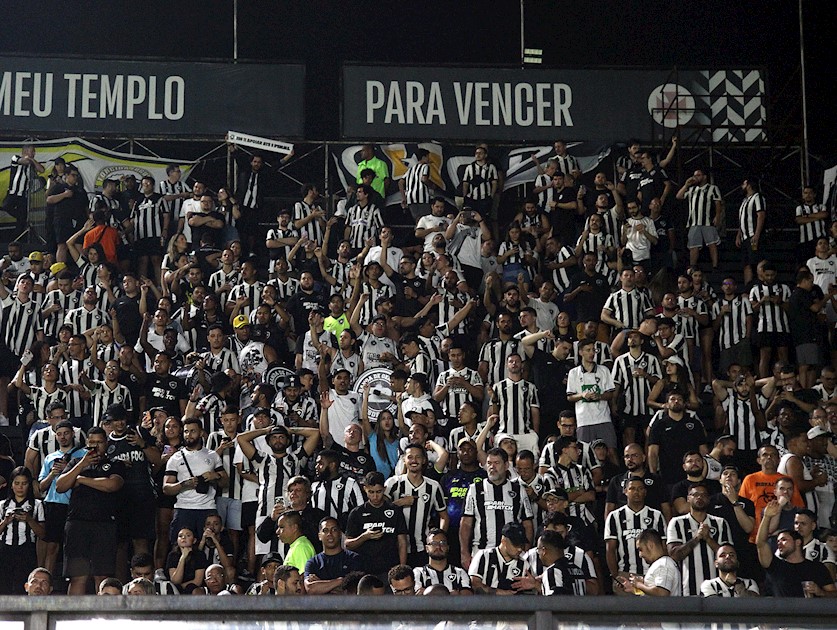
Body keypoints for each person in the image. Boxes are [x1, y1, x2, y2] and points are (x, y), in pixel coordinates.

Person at [55, 426, 126, 595]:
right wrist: (82, 465)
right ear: (87, 443)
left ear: (106, 443)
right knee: (77, 576)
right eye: (92, 442)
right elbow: (60, 486)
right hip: (77, 523)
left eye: (99, 442)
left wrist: (81, 480)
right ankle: (71, 620)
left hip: (104, 524)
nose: (95, 446)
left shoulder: (115, 464)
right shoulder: (75, 463)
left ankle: (103, 617)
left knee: (101, 576)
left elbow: (112, 485)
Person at [459, 447, 533, 570]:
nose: (492, 467)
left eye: (496, 463)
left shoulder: (518, 490)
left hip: (512, 554)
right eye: (489, 463)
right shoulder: (474, 489)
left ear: (506, 465)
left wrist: (526, 548)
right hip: (481, 552)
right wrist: (464, 552)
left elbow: (527, 524)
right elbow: (466, 523)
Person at [163, 417, 228, 545]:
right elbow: (166, 488)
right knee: (180, 549)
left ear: (201, 433)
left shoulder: (212, 455)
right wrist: (184, 484)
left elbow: (226, 483)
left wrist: (215, 476)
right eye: (186, 431)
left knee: (209, 548)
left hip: (207, 508)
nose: (189, 435)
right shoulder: (175, 458)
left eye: (193, 431)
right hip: (183, 509)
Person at [757, 500, 835, 597]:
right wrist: (767, 517)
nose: (779, 543)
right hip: (781, 612)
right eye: (778, 541)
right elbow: (761, 543)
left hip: (808, 611)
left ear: (797, 542)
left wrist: (820, 592)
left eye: (784, 540)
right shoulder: (775, 566)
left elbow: (834, 594)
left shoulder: (817, 568)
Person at [666, 482, 734, 596]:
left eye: (703, 495)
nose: (699, 497)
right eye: (695, 494)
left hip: (718, 590)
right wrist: (697, 538)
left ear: (708, 499)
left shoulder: (720, 522)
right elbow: (675, 555)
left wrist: (708, 539)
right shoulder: (677, 522)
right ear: (688, 498)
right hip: (686, 589)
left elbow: (729, 556)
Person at [604, 476, 667, 592]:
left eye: (640, 489)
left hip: (652, 573)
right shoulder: (614, 516)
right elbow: (610, 549)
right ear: (625, 491)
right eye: (632, 488)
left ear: (645, 492)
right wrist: (615, 576)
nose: (636, 492)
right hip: (625, 573)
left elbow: (663, 547)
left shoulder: (656, 515)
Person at [345, 471, 409, 578]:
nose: (375, 496)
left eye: (378, 492)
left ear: (384, 489)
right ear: (365, 489)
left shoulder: (395, 511)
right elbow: (348, 544)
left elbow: (402, 543)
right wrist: (364, 537)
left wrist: (401, 569)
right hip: (365, 571)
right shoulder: (357, 513)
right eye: (371, 492)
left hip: (390, 570)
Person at [0, 466, 45, 594]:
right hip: (4, 550)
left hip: (26, 551)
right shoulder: (2, 505)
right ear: (11, 485)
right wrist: (5, 522)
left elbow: (42, 534)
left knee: (22, 589)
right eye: (17, 483)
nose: (20, 487)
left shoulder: (37, 505)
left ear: (29, 485)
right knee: (3, 588)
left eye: (24, 483)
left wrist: (29, 519)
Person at [467, 522, 533, 595]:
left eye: (521, 545)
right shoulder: (483, 556)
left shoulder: (524, 565)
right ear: (504, 541)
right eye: (516, 544)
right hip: (484, 605)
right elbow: (475, 584)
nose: (520, 549)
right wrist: (499, 593)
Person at [676, 168, 723, 270]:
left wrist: (717, 216)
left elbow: (718, 203)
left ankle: (715, 265)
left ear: (704, 177)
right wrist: (686, 185)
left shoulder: (712, 188)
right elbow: (679, 196)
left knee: (711, 243)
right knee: (694, 245)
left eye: (698, 175)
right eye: (695, 175)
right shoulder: (692, 190)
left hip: (707, 220)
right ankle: (693, 266)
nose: (695, 177)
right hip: (694, 222)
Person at [303, 516, 362, 594]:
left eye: (334, 530)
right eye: (325, 530)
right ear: (319, 536)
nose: (329, 534)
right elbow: (311, 589)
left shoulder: (353, 558)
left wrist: (320, 583)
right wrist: (340, 581)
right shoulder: (313, 563)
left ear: (340, 534)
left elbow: (352, 592)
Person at [616, 528, 681, 596]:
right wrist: (633, 589)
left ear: (650, 545)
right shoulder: (661, 563)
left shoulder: (664, 564)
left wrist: (638, 584)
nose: (640, 555)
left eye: (640, 549)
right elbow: (653, 595)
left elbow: (662, 593)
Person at [736, 177, 765, 286]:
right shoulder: (744, 200)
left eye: (743, 183)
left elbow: (761, 215)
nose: (742, 186)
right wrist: (739, 235)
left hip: (753, 236)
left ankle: (761, 285)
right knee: (746, 263)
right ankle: (748, 288)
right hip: (745, 238)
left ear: (748, 184)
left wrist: (757, 234)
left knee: (756, 260)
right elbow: (742, 219)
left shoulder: (757, 197)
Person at [166, 527, 207, 594]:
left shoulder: (200, 555)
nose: (183, 538)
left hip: (192, 588)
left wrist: (180, 587)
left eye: (188, 535)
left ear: (194, 540)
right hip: (175, 589)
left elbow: (198, 581)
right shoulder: (172, 555)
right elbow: (176, 581)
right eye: (180, 536)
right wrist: (183, 558)